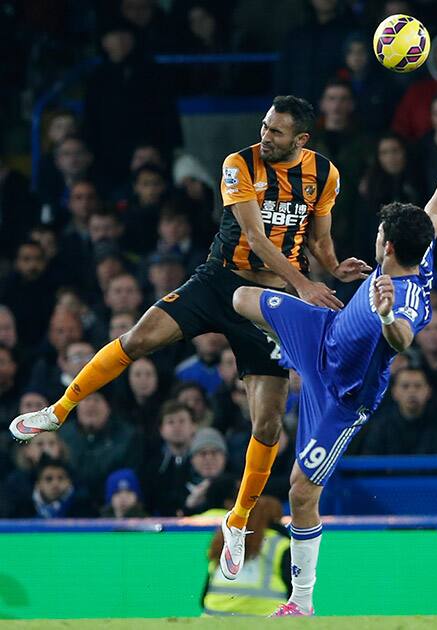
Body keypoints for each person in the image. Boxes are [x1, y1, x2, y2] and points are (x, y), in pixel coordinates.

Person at [10, 96, 370, 552]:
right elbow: (255, 237)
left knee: (267, 426)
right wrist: (303, 284)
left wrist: (334, 268)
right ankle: (57, 411)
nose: (265, 135)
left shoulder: (325, 174)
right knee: (137, 338)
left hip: (268, 301)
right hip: (220, 280)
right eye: (263, 125)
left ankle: (237, 521)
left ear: (301, 139)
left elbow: (318, 239)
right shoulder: (239, 163)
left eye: (276, 132)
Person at [226, 123, 437, 616]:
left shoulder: (410, 296)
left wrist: (385, 314)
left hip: (342, 394)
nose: (376, 237)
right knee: (242, 296)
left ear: (389, 248)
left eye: (379, 234)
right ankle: (283, 352)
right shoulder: (419, 245)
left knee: (300, 490)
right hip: (324, 335)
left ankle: (302, 603)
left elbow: (403, 339)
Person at [203, 495, 291, 616]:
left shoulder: (222, 541)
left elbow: (204, 595)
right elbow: (294, 592)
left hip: (214, 618)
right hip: (264, 619)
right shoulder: (279, 543)